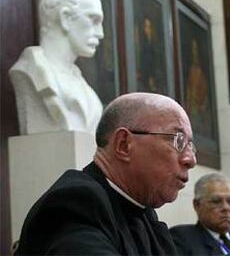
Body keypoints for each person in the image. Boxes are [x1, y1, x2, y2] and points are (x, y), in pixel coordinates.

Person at [15, 92, 197, 255]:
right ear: (123, 144)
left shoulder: (145, 211)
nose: (191, 160)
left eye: (190, 145)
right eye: (178, 140)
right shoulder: (76, 204)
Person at [9, 0, 104, 135]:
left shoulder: (82, 84)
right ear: (65, 18)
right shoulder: (28, 71)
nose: (100, 33)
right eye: (93, 20)